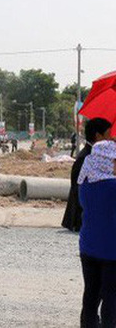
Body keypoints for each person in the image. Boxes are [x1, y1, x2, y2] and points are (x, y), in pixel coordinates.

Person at [76, 119, 116, 327]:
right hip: (111, 251)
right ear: (108, 160)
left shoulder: (85, 183)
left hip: (88, 247)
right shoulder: (113, 187)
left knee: (91, 294)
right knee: (110, 298)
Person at [62, 118, 112, 232]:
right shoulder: (86, 158)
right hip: (83, 218)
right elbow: (77, 189)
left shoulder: (98, 155)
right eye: (108, 135)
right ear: (98, 136)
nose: (110, 138)